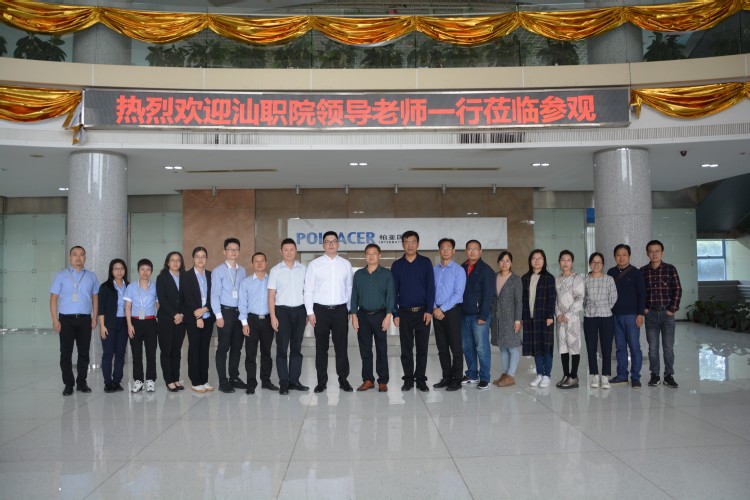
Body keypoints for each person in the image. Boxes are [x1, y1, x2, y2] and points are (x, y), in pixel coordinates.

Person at [305, 231, 354, 394]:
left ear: (338, 244)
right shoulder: (314, 265)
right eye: (327, 241)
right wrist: (310, 312)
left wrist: (348, 309)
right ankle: (321, 381)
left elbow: (349, 288)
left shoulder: (345, 264)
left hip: (340, 310)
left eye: (334, 241)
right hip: (320, 311)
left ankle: (343, 380)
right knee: (321, 348)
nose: (331, 244)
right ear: (323, 245)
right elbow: (308, 289)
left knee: (341, 347)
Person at [50, 246, 100, 396]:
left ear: (85, 257)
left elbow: (95, 298)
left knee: (84, 353)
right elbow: (53, 299)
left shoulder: (91, 276)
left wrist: (94, 317)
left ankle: (82, 382)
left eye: (81, 255)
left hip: (85, 319)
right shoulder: (60, 276)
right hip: (66, 319)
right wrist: (55, 319)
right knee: (66, 353)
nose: (78, 258)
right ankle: (68, 384)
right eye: (75, 255)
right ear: (69, 257)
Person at [391, 230, 435, 392]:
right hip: (404, 312)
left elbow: (431, 288)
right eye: (407, 242)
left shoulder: (425, 262)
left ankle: (421, 379)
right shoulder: (397, 265)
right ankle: (408, 379)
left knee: (422, 348)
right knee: (406, 348)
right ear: (403, 244)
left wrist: (429, 310)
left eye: (413, 242)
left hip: (423, 312)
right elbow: (393, 291)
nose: (410, 245)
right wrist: (395, 313)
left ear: (418, 244)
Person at [350, 243, 395, 392]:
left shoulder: (386, 274)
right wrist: (354, 315)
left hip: (380, 315)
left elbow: (391, 296)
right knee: (365, 350)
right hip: (362, 316)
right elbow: (354, 296)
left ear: (379, 255)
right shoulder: (359, 274)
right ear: (365, 256)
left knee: (382, 349)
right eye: (368, 253)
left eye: (374, 253)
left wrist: (388, 316)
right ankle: (368, 379)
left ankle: (383, 381)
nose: (371, 256)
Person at [268, 238, 309, 395]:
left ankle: (294, 380)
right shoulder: (275, 270)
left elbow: (308, 292)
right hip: (282, 312)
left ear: (296, 251)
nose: (289, 252)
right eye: (286, 250)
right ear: (281, 251)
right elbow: (271, 295)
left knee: (297, 348)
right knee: (282, 349)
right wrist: (273, 317)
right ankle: (284, 382)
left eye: (292, 249)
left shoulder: (303, 269)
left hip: (300, 311)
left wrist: (308, 312)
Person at [642, 240, 682, 389]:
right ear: (647, 253)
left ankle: (669, 375)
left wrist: (672, 309)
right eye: (651, 251)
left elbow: (677, 289)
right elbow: (640, 292)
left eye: (657, 251)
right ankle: (655, 375)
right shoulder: (643, 271)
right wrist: (644, 308)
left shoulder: (670, 269)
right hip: (651, 314)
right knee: (653, 348)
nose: (654, 254)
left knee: (668, 348)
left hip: (667, 314)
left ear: (662, 253)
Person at [211, 238, 248, 393]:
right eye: (230, 249)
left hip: (239, 313)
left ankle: (234, 377)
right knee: (223, 347)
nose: (233, 252)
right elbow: (214, 295)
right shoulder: (218, 271)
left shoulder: (242, 271)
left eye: (236, 249)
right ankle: (222, 380)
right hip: (225, 312)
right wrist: (218, 316)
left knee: (237, 348)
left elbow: (244, 294)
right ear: (224, 251)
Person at [607, 244, 646, 389]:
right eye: (618, 255)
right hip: (615, 315)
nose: (621, 257)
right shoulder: (610, 272)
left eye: (624, 254)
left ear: (629, 256)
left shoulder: (636, 272)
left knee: (634, 347)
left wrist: (640, 314)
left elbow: (642, 294)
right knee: (620, 347)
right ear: (614, 256)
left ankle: (635, 377)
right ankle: (622, 375)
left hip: (632, 316)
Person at [239, 252, 278, 395]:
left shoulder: (272, 281)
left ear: (266, 263)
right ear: (252, 264)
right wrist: (244, 323)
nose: (260, 263)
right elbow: (242, 304)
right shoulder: (246, 282)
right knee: (250, 354)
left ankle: (266, 381)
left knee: (266, 353)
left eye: (262, 261)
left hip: (268, 320)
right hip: (252, 320)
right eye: (256, 261)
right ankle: (251, 383)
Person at [432, 238, 466, 392]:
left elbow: (458, 294)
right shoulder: (434, 270)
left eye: (448, 248)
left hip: (452, 312)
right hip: (436, 311)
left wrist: (442, 309)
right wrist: (434, 308)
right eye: (442, 248)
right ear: (439, 250)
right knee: (442, 347)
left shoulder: (459, 270)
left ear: (453, 251)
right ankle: (446, 377)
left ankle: (457, 379)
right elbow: (429, 291)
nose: (445, 251)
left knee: (456, 347)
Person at [460, 239, 495, 390]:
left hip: (479, 315)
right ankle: (472, 374)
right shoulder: (461, 268)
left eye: (475, 249)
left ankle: (485, 377)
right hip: (464, 314)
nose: (472, 251)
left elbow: (488, 295)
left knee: (482, 347)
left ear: (480, 251)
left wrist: (483, 315)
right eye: (469, 249)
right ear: (465, 251)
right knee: (467, 347)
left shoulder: (486, 270)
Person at [522, 249, 557, 388]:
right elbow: (523, 300)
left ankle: (547, 375)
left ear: (544, 261)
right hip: (530, 319)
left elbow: (552, 298)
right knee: (536, 347)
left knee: (546, 347)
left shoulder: (549, 278)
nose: (537, 261)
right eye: (534, 258)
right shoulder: (525, 278)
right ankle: (539, 374)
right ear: (530, 261)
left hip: (544, 318)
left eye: (540, 258)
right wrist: (522, 317)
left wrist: (550, 315)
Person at [182, 246, 215, 393]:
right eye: (197, 256)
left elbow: (215, 296)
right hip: (193, 319)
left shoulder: (211, 275)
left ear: (206, 259)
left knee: (204, 349)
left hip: (208, 317)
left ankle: (204, 379)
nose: (200, 259)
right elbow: (187, 299)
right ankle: (195, 380)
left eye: (203, 256)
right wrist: (198, 316)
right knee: (194, 349)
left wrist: (206, 309)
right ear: (193, 259)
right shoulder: (186, 276)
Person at [583, 252, 617, 390]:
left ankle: (605, 376)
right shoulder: (585, 280)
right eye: (594, 262)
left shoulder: (609, 279)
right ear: (590, 264)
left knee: (606, 347)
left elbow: (613, 298)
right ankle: (595, 375)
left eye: (599, 262)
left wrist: (604, 307)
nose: (596, 265)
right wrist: (589, 308)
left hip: (606, 315)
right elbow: (583, 298)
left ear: (603, 264)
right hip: (589, 316)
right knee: (591, 346)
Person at [124, 258, 159, 393]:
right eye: (142, 269)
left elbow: (158, 305)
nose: (145, 272)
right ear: (138, 271)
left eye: (148, 270)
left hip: (151, 322)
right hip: (135, 322)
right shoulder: (131, 287)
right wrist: (129, 325)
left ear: (151, 271)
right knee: (136, 353)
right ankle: (138, 380)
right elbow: (127, 307)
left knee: (151, 353)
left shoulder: (155, 286)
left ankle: (150, 380)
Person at [490, 251, 522, 388]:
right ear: (498, 262)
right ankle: (505, 374)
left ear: (511, 263)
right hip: (496, 319)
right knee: (502, 347)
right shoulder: (493, 277)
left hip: (510, 318)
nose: (504, 263)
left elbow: (519, 301)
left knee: (512, 348)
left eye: (507, 260)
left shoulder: (516, 279)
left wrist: (517, 320)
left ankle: (511, 375)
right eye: (502, 260)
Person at [554, 250, 585, 389]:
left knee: (574, 347)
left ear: (572, 262)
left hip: (572, 320)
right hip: (560, 320)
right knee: (563, 348)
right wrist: (558, 314)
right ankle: (566, 375)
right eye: (563, 260)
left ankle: (573, 376)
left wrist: (567, 315)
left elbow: (580, 298)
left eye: (568, 260)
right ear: (559, 262)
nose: (565, 263)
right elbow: (555, 299)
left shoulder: (577, 278)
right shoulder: (557, 279)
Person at [156, 251, 186, 392]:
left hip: (181, 320)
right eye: (172, 260)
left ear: (181, 262)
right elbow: (162, 299)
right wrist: (175, 314)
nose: (175, 263)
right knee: (166, 351)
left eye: (178, 260)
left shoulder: (185, 277)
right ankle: (169, 380)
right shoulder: (162, 277)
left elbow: (187, 298)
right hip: (166, 319)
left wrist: (182, 314)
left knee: (177, 351)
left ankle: (176, 378)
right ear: (168, 263)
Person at [97, 258, 129, 393]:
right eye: (116, 269)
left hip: (124, 324)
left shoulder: (129, 286)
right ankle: (108, 382)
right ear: (111, 271)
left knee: (120, 353)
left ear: (125, 270)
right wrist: (102, 326)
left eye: (121, 268)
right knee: (108, 353)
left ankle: (117, 381)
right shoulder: (105, 287)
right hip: (109, 323)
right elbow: (101, 309)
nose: (119, 271)